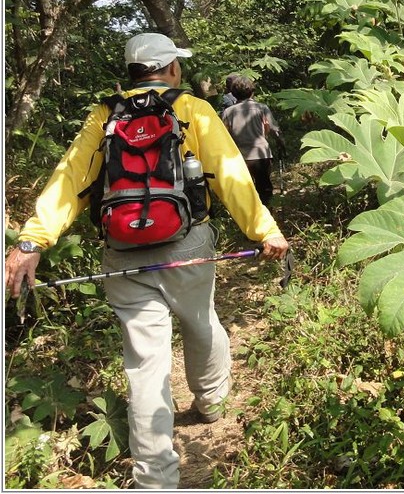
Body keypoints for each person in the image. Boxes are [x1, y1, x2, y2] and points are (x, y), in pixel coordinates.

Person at [4, 32, 290, 489]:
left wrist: (31, 242)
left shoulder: (104, 116)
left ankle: (156, 478)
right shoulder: (193, 108)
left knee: (145, 361)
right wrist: (264, 230)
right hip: (188, 244)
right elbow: (228, 173)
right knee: (201, 323)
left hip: (121, 252)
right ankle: (212, 401)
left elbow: (71, 180)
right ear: (172, 68)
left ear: (132, 71)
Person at [220, 76, 284, 206]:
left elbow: (223, 135)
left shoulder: (228, 112)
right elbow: (274, 129)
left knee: (245, 191)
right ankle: (267, 214)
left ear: (233, 93)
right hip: (261, 155)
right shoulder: (261, 108)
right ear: (252, 91)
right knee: (264, 189)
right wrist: (281, 143)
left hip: (240, 157)